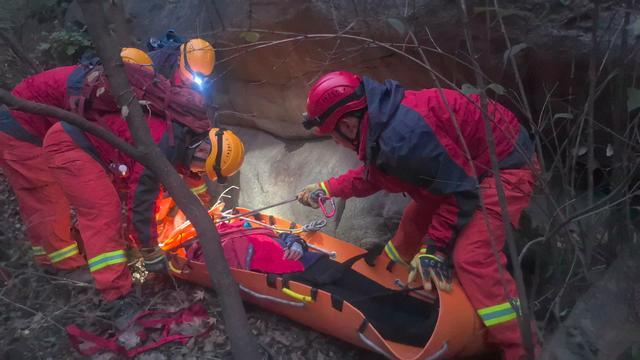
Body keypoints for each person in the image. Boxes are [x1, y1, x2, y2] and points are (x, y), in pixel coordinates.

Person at [297, 71, 538, 359]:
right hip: (467, 173)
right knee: (411, 226)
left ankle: (522, 348)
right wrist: (328, 188)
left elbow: (461, 192)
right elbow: (377, 176)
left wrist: (434, 249)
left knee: (473, 258)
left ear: (348, 125)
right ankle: (389, 284)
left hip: (504, 170)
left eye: (334, 136)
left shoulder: (405, 137)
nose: (337, 142)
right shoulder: (381, 123)